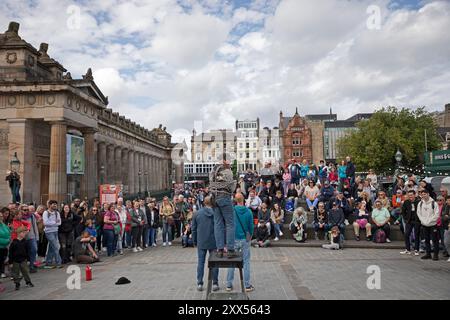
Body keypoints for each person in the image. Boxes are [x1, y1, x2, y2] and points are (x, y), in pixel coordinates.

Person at [226, 193, 254, 292]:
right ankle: (247, 285)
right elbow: (251, 227)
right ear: (243, 200)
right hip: (245, 239)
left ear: (235, 200)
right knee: (246, 262)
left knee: (232, 262)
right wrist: (249, 236)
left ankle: (229, 284)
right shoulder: (248, 211)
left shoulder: (232, 211)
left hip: (234, 239)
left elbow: (228, 225)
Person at [209, 159, 237, 258]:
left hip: (214, 198)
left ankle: (220, 249)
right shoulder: (228, 171)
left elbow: (211, 183)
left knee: (218, 224)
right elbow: (231, 188)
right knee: (230, 223)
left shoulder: (213, 171)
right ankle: (230, 249)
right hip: (224, 197)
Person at [192, 196, 219, 292]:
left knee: (201, 262)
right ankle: (215, 283)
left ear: (204, 203)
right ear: (212, 203)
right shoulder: (216, 213)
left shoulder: (197, 214)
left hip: (201, 241)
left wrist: (194, 241)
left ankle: (200, 283)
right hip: (214, 241)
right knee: (215, 263)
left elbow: (193, 229)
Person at [417, 189, 440, 260]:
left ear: (428, 194)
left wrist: (430, 221)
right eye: (422, 194)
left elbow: (437, 214)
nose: (423, 196)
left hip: (433, 224)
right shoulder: (420, 203)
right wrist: (423, 221)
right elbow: (419, 213)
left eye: (425, 194)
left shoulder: (434, 203)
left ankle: (435, 255)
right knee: (426, 240)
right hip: (424, 224)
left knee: (435, 240)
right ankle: (428, 254)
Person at [400, 190, 421, 255]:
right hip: (409, 220)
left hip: (417, 220)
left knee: (416, 235)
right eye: (409, 195)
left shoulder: (419, 202)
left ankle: (416, 250)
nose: (410, 197)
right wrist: (405, 219)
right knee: (406, 234)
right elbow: (403, 211)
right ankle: (407, 249)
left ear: (415, 195)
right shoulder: (406, 202)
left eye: (411, 195)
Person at [43, 200, 62, 268]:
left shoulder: (57, 213)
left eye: (56, 204)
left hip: (55, 231)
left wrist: (51, 222)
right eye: (53, 204)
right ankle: (58, 262)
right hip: (48, 232)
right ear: (50, 205)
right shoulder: (45, 212)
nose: (55, 206)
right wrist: (54, 222)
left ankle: (48, 262)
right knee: (56, 246)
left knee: (51, 247)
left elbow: (59, 223)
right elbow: (45, 223)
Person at [0, 210, 11, 279]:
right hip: (0, 246)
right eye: (0, 216)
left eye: (1, 216)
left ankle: (2, 272)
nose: (1, 217)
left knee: (2, 260)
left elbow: (9, 232)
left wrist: (8, 239)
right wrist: (6, 240)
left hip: (4, 247)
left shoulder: (3, 224)